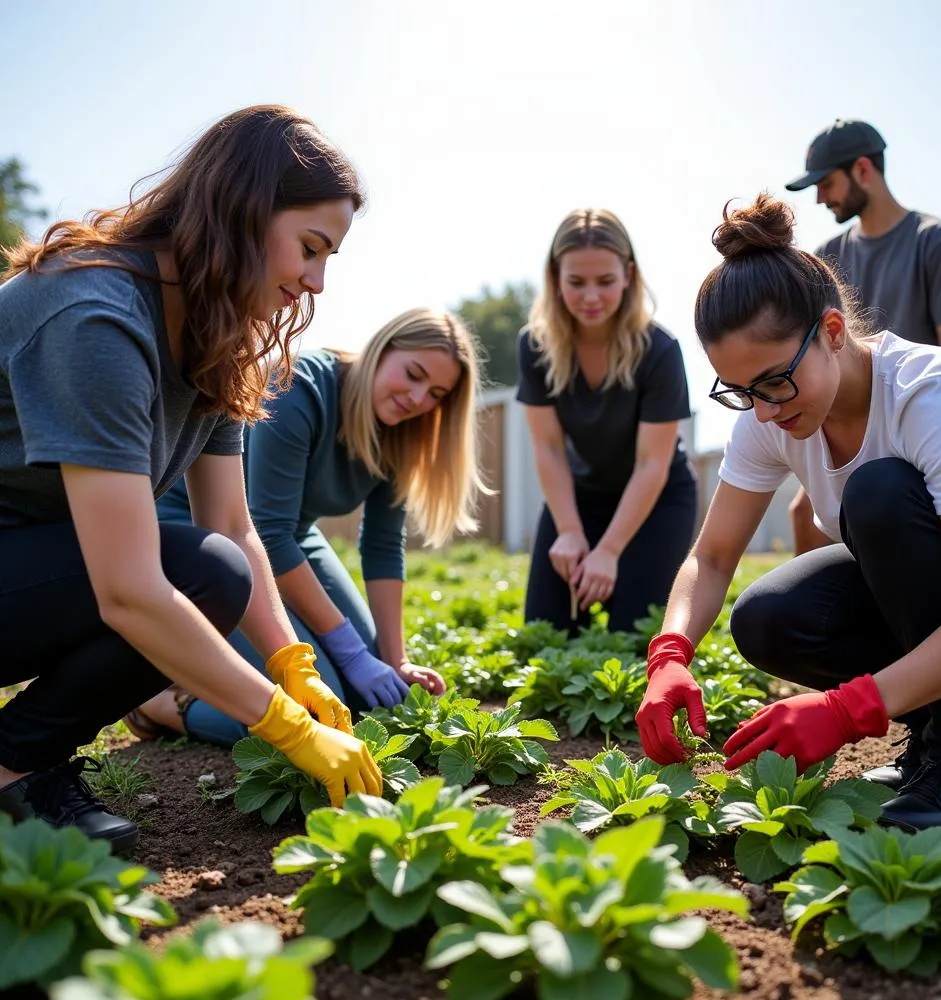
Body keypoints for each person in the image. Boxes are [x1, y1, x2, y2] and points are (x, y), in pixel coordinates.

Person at [0, 105, 384, 853]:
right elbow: (130, 590)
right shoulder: (96, 318)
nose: (316, 282)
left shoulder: (212, 336)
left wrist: (291, 663)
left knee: (217, 567)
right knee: (183, 573)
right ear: (242, 212)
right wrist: (284, 722)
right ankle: (14, 763)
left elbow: (233, 529)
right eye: (310, 248)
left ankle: (18, 755)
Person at [636, 194, 941, 837]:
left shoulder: (932, 397)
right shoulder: (773, 413)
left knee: (880, 496)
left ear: (834, 332)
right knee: (772, 618)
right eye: (740, 392)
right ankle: (931, 747)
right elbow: (711, 557)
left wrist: (849, 711)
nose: (762, 410)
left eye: (773, 382)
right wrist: (670, 652)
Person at [133, 308, 487, 747]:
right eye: (413, 374)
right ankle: (162, 705)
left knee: (372, 699)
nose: (418, 399)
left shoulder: (402, 429)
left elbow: (381, 545)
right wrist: (349, 650)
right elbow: (266, 532)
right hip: (206, 538)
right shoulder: (299, 387)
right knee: (316, 712)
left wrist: (395, 661)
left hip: (286, 539)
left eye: (436, 393)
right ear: (382, 348)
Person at [784, 119, 941, 556]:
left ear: (863, 170)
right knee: (803, 512)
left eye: (826, 183)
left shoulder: (934, 241)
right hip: (849, 428)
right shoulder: (827, 258)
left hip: (918, 427)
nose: (820, 198)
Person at [516, 208, 698, 635]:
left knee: (632, 634)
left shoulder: (660, 350)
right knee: (546, 631)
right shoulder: (535, 346)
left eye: (605, 281)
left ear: (628, 275)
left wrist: (610, 551)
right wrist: (570, 532)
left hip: (658, 498)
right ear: (556, 278)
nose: (591, 297)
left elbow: (652, 464)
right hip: (581, 496)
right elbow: (548, 447)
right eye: (576, 282)